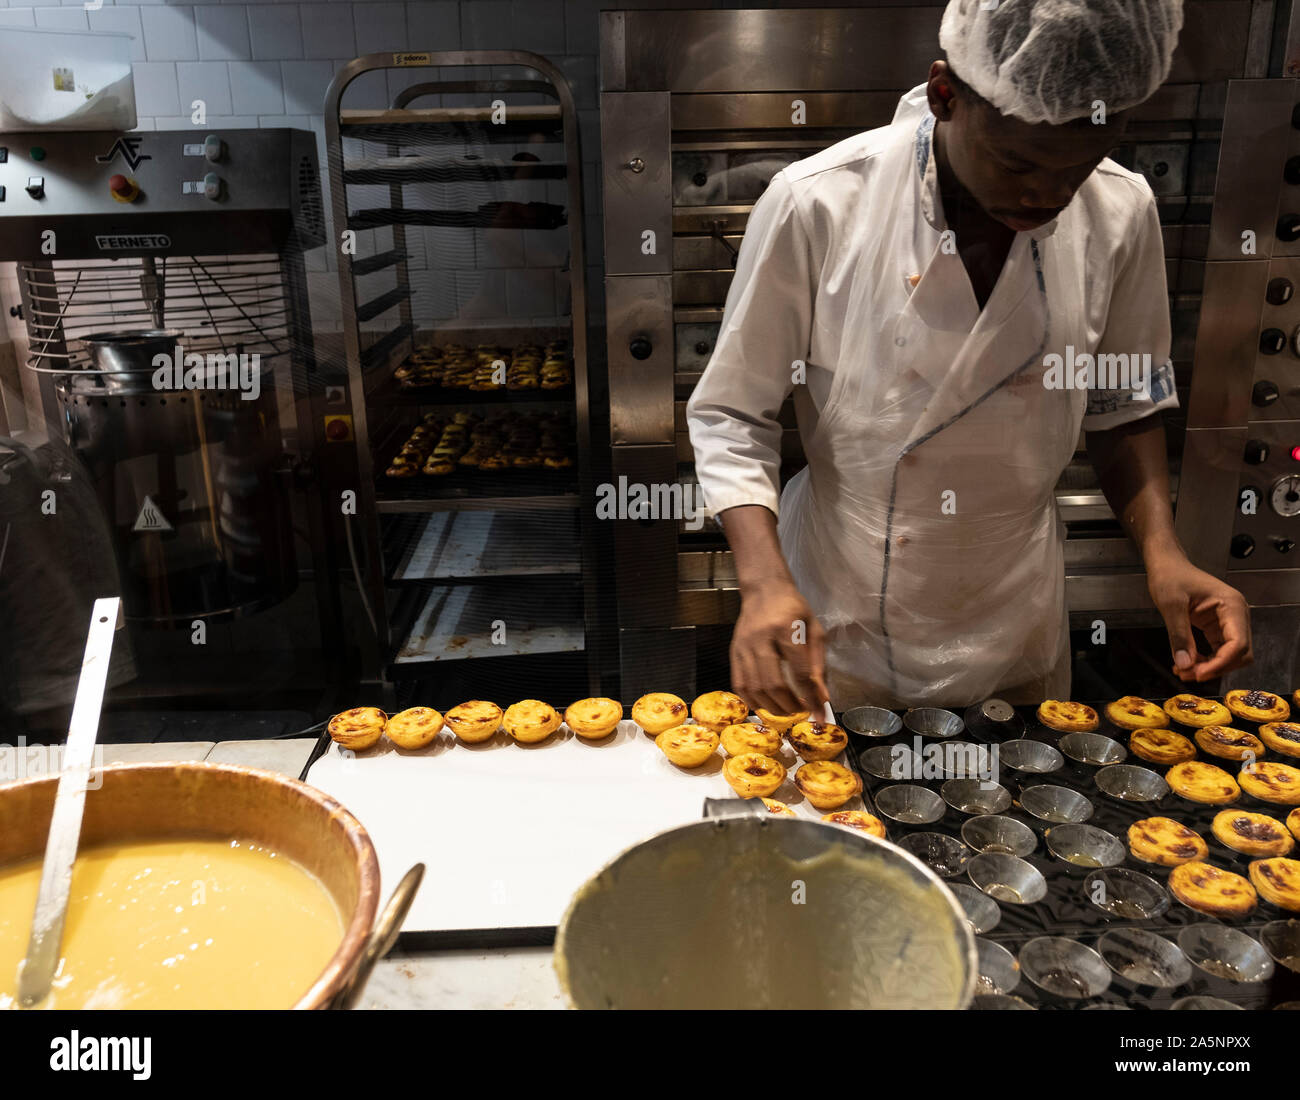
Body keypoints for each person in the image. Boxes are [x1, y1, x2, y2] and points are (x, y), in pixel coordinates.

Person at [686, 0, 1252, 715]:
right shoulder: (820, 203)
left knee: (1012, 815)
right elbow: (733, 411)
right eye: (1017, 162)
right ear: (944, 94)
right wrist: (764, 583)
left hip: (1012, 619)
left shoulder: (1121, 209)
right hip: (836, 613)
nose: (1045, 195)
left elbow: (1125, 402)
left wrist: (1163, 553)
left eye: (1074, 169)